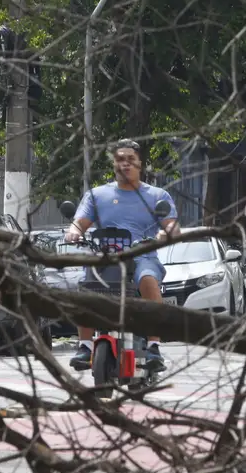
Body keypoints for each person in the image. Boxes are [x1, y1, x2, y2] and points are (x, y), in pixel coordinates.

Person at [65, 138, 180, 372]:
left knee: (148, 280)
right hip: (104, 256)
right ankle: (85, 346)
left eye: (130, 160)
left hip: (142, 256)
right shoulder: (96, 195)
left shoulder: (157, 195)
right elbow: (79, 223)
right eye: (120, 159)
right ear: (113, 164)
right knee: (84, 286)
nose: (125, 164)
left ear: (140, 164)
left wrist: (167, 233)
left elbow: (171, 225)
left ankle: (153, 347)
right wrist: (74, 232)